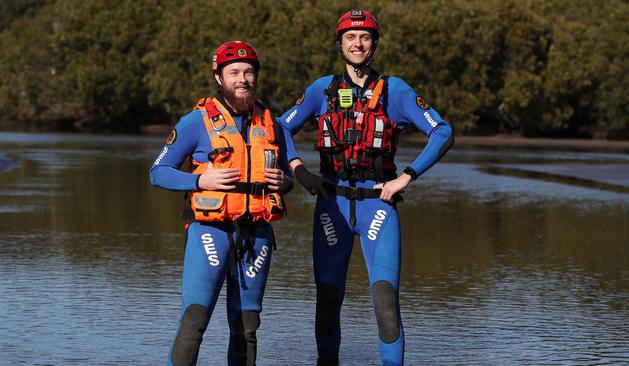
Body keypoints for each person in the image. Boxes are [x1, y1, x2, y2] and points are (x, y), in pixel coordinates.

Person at [279, 10, 454, 366]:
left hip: (379, 206)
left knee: (385, 300)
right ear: (340, 44)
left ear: (374, 43)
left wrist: (407, 176)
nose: (357, 44)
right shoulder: (322, 90)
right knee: (328, 300)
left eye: (365, 38)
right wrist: (299, 170)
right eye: (350, 38)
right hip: (332, 206)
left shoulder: (395, 90)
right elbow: (279, 129)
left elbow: (443, 132)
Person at [150, 40, 293, 366]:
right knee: (195, 321)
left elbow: (288, 175)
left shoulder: (274, 123)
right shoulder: (194, 122)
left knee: (247, 328)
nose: (242, 78)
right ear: (219, 78)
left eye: (248, 72)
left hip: (256, 236)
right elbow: (158, 173)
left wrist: (286, 182)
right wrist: (200, 181)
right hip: (209, 232)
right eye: (234, 73)